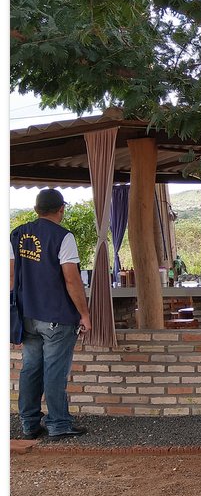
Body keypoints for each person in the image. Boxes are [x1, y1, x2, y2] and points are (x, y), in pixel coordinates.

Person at [10, 188, 91, 441]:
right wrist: (84, 314)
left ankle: (29, 424)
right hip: (56, 315)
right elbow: (71, 279)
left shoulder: (16, 234)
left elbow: (11, 277)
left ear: (36, 210)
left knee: (30, 369)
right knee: (54, 371)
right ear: (61, 209)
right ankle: (58, 424)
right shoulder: (63, 236)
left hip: (27, 315)